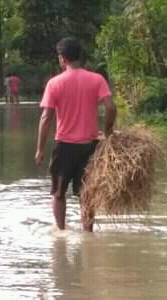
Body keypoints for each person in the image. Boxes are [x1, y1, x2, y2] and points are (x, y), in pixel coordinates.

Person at [34, 37, 117, 232]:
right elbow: (111, 107)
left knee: (58, 193)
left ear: (62, 58)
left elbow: (46, 118)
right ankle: (88, 233)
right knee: (87, 193)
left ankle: (61, 232)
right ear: (80, 56)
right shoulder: (97, 79)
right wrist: (109, 131)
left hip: (64, 146)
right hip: (90, 146)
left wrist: (39, 149)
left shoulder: (55, 83)